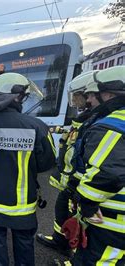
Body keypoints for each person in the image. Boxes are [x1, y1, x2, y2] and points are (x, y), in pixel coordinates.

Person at [0, 73, 56, 265]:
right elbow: (47, 163)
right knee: (24, 244)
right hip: (22, 207)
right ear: (18, 97)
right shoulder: (37, 126)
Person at [36, 71, 100, 256]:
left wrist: (75, 183)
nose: (75, 100)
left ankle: (72, 247)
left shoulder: (94, 123)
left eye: (78, 96)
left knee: (85, 220)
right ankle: (62, 240)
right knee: (63, 209)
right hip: (75, 182)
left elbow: (86, 156)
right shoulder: (86, 119)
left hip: (82, 184)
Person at [72, 66, 125, 265]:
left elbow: (107, 174)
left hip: (112, 222)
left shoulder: (112, 125)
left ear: (110, 94)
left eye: (94, 95)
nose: (88, 101)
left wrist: (85, 202)